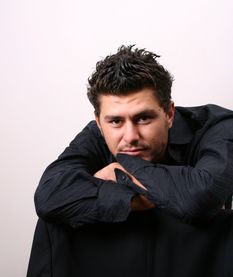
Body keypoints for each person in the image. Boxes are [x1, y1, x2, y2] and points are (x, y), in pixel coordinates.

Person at [34, 44, 233, 228]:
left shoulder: (217, 126)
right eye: (115, 121)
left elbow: (202, 198)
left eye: (144, 118)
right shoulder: (97, 133)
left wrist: (120, 174)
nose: (130, 136)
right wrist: (148, 195)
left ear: (169, 114)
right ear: (98, 122)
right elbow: (48, 196)